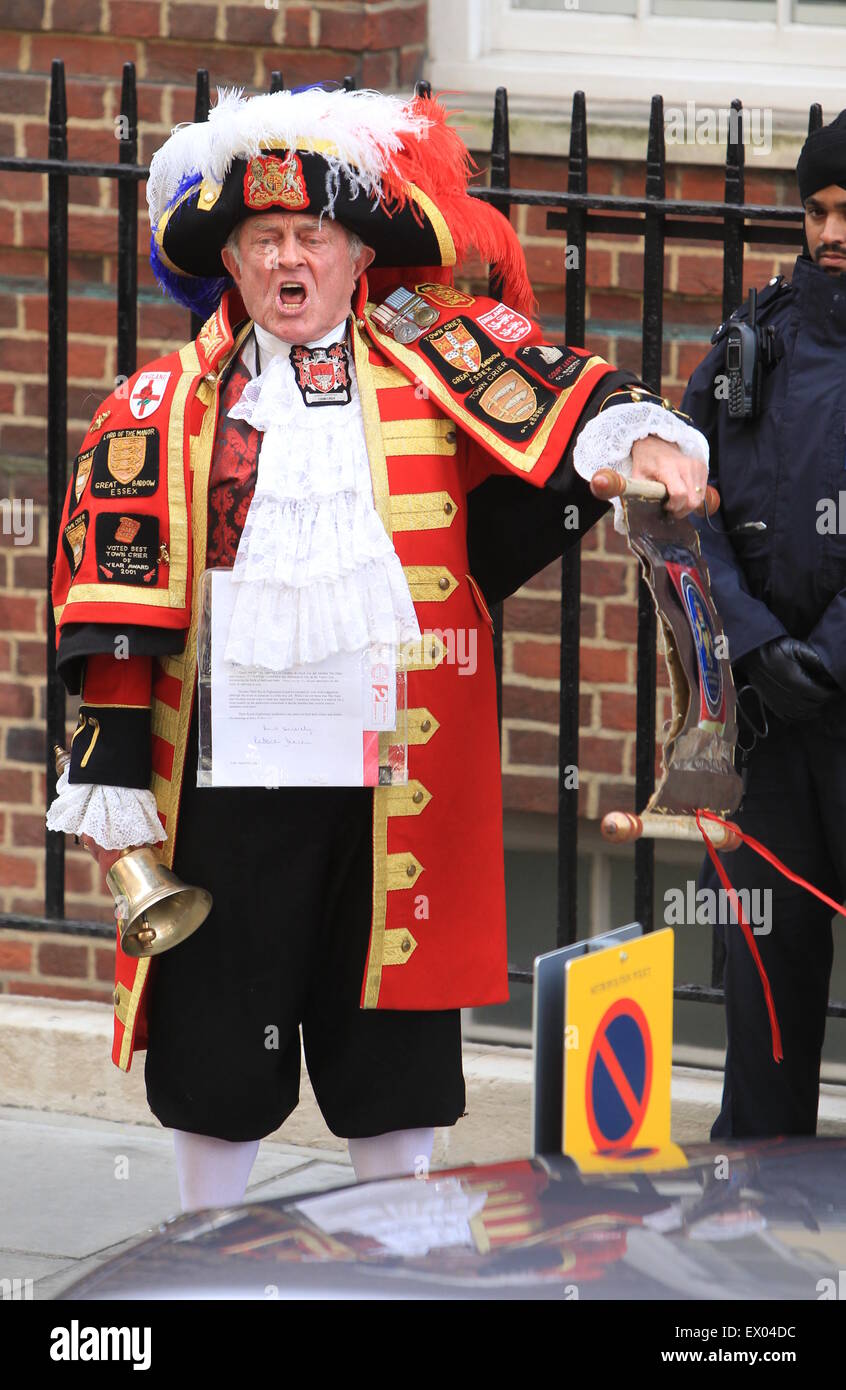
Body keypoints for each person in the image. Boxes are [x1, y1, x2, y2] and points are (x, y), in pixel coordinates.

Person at [47, 86, 707, 1209]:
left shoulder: (428, 361)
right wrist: (107, 772)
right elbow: (113, 598)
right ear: (233, 261)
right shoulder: (160, 406)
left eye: (313, 236)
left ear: (358, 253)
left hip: (394, 768)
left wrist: (639, 444)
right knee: (217, 1035)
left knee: (392, 1031)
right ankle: (206, 1255)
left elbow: (560, 393)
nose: (290, 260)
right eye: (264, 240)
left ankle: (398, 1256)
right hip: (232, 777)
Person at [682, 109, 846, 1139]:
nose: (834, 234)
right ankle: (756, 1242)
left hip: (832, 692)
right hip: (769, 730)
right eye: (821, 212)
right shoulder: (755, 339)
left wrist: (828, 655)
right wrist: (749, 640)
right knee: (767, 1000)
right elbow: (679, 501)